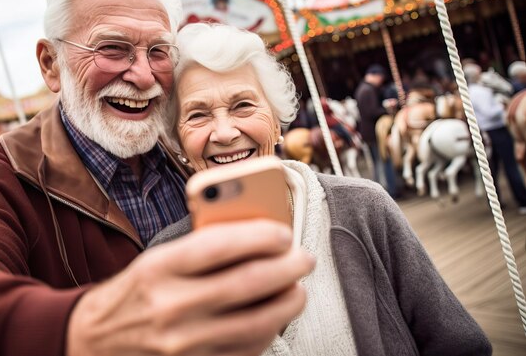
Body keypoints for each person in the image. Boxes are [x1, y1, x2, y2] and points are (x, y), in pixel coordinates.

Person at [0, 0, 315, 356]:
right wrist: (81, 328)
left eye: (158, 51)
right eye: (113, 49)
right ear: (51, 64)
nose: (143, 75)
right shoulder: (6, 171)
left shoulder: (187, 142)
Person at [155, 22, 491, 355]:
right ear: (178, 140)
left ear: (276, 119)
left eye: (243, 105)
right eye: (198, 115)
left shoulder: (364, 206)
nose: (225, 132)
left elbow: (460, 345)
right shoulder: (164, 260)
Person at [465, 62, 526, 214]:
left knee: (493, 169)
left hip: (485, 133)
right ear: (476, 75)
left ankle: (496, 202)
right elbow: (489, 112)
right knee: (510, 166)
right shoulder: (480, 91)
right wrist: (502, 105)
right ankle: (522, 200)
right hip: (496, 130)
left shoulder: (470, 91)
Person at [354, 64, 398, 197]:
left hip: (368, 132)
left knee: (378, 162)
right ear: (375, 76)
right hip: (375, 133)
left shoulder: (363, 89)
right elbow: (371, 111)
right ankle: (389, 190)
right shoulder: (368, 90)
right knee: (383, 161)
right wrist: (386, 109)